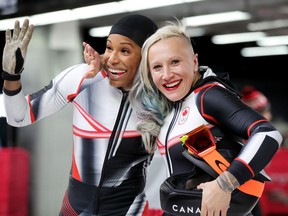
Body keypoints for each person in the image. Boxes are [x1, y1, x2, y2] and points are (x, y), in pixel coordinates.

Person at [1, 14, 158, 215]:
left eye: (125, 50)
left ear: (147, 57)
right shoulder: (84, 79)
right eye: (109, 48)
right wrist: (11, 76)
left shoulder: (161, 97)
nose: (112, 58)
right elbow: (18, 117)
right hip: (75, 210)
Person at [128, 22, 283, 216]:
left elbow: (268, 134)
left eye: (175, 62)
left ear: (194, 62)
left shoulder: (208, 95)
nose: (167, 75)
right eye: (157, 67)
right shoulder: (172, 104)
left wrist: (224, 184)